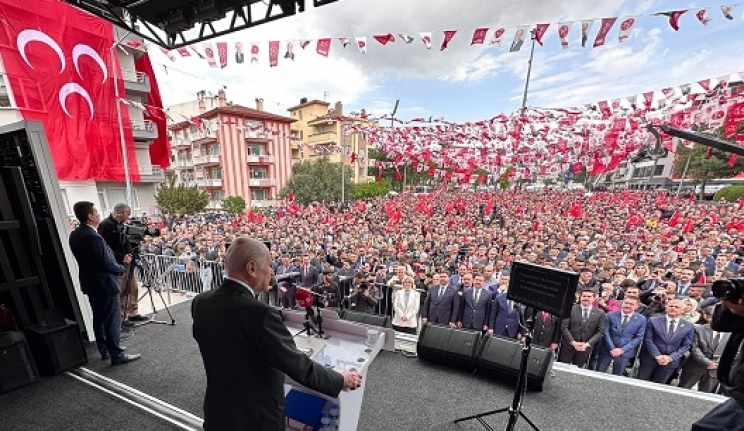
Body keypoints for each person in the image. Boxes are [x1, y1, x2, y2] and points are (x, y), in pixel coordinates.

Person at [191, 237, 362, 431]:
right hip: (255, 420)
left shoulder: (200, 302)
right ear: (252, 268)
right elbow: (298, 366)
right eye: (269, 265)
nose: (271, 272)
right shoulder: (259, 313)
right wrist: (340, 379)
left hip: (218, 412)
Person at [68, 201, 141, 365]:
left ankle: (104, 350)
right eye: (96, 212)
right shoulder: (94, 237)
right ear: (90, 216)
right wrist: (122, 267)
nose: (99, 215)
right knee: (112, 320)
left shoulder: (75, 234)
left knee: (99, 318)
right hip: (105, 284)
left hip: (90, 283)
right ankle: (117, 354)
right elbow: (107, 263)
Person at [97, 203, 148, 325]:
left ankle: (133, 312)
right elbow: (106, 247)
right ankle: (121, 317)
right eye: (127, 214)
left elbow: (126, 242)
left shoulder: (121, 225)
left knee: (133, 287)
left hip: (128, 261)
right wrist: (121, 257)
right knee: (122, 289)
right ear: (121, 213)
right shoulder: (106, 225)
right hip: (118, 263)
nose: (128, 217)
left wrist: (130, 253)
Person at [637, 299, 694, 384]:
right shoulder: (653, 320)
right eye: (671, 306)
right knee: (641, 383)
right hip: (649, 359)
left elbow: (686, 345)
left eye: (677, 307)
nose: (673, 308)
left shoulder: (688, 326)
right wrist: (658, 356)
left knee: (659, 386)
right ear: (666, 307)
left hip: (670, 363)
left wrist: (670, 358)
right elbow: (648, 340)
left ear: (683, 310)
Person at [678, 306, 730, 393]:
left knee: (705, 397)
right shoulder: (698, 328)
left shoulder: (731, 333)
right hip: (694, 367)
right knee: (682, 391)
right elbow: (694, 348)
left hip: (716, 370)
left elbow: (735, 352)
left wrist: (719, 363)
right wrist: (708, 363)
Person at [595, 296, 646, 375]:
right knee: (599, 372)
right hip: (607, 349)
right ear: (621, 304)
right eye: (626, 303)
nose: (628, 306)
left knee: (617, 375)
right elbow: (605, 332)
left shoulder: (641, 319)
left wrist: (622, 350)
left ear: (636, 307)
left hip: (625, 352)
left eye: (631, 304)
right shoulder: (610, 315)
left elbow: (639, 337)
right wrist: (612, 348)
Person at [558, 289, 606, 368]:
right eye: (584, 296)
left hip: (585, 348)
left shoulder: (600, 313)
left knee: (578, 371)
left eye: (589, 296)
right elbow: (564, 327)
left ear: (594, 299)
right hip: (568, 346)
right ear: (580, 297)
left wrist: (587, 344)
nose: (586, 298)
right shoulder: (570, 309)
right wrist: (573, 342)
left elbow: (600, 331)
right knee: (562, 368)